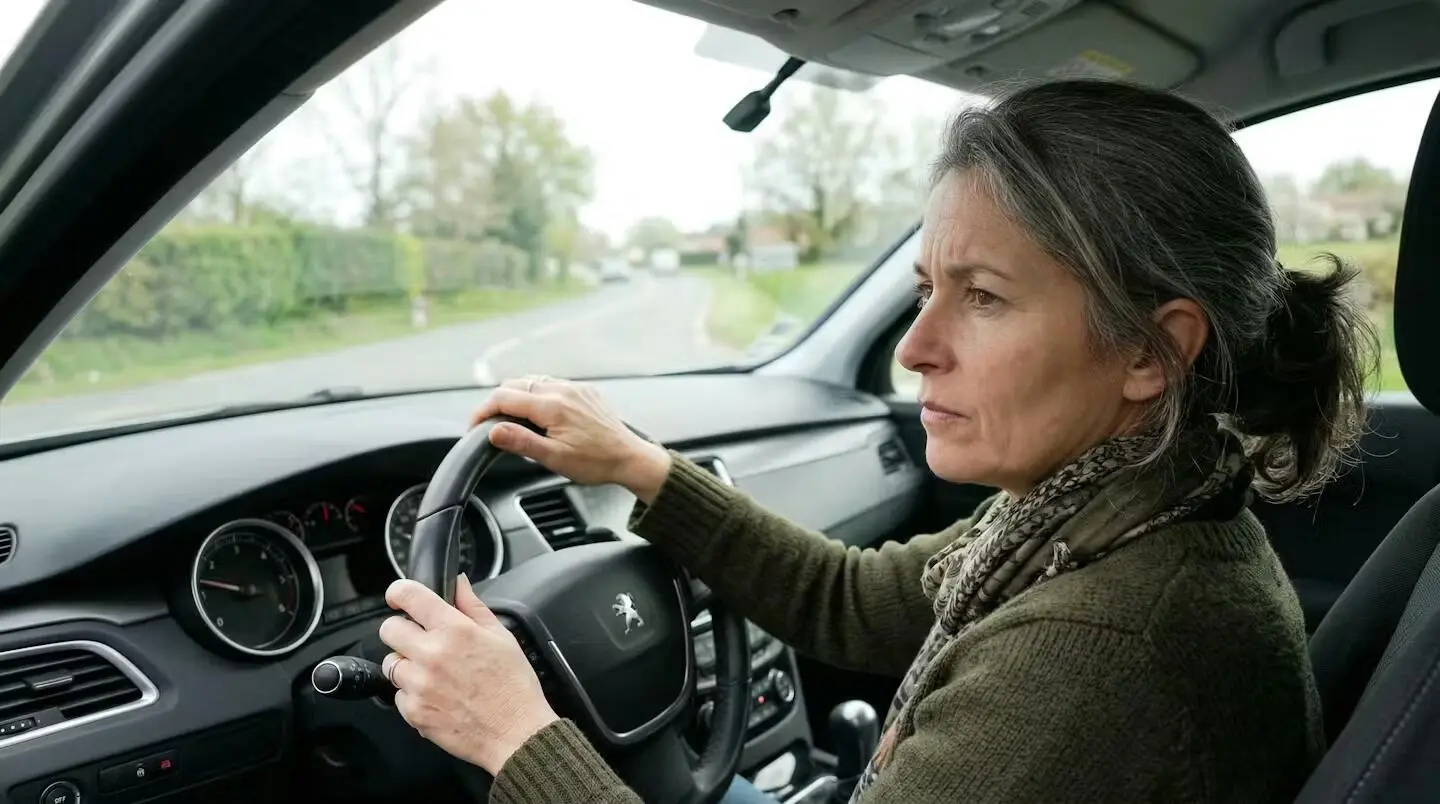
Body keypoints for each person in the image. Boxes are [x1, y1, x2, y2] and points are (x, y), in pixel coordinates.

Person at [375, 77, 1378, 803]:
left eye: (982, 298)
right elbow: (855, 604)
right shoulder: (1111, 509)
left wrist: (516, 734)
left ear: (1152, 353)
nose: (914, 351)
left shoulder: (1099, 653)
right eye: (923, 293)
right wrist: (641, 468)